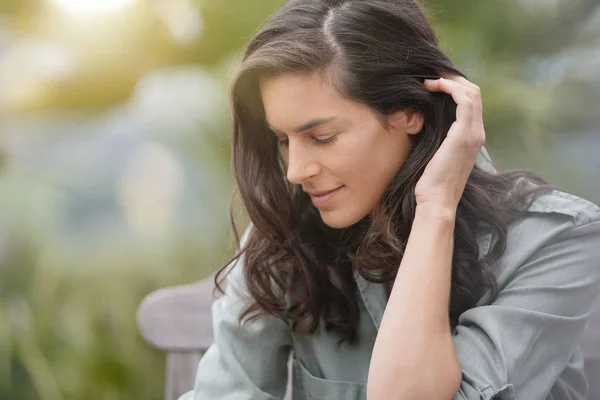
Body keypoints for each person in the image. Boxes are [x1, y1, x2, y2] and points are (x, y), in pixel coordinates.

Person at [179, 0, 600, 399]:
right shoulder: (286, 230)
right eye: (284, 141)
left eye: (321, 137)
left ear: (409, 112)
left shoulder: (559, 240)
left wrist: (436, 205)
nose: (295, 171)